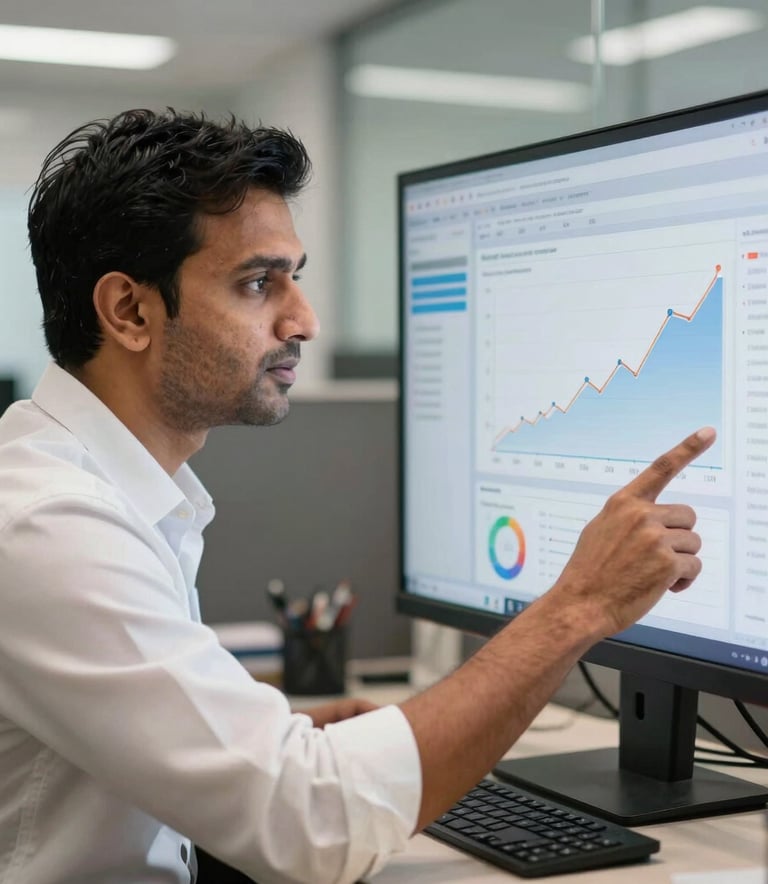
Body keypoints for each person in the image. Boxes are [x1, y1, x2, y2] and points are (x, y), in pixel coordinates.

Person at [0, 108, 714, 884]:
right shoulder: (47, 524)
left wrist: (261, 737)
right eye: (256, 283)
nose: (303, 319)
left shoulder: (113, 490)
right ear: (131, 312)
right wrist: (580, 606)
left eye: (294, 278)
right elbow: (309, 826)